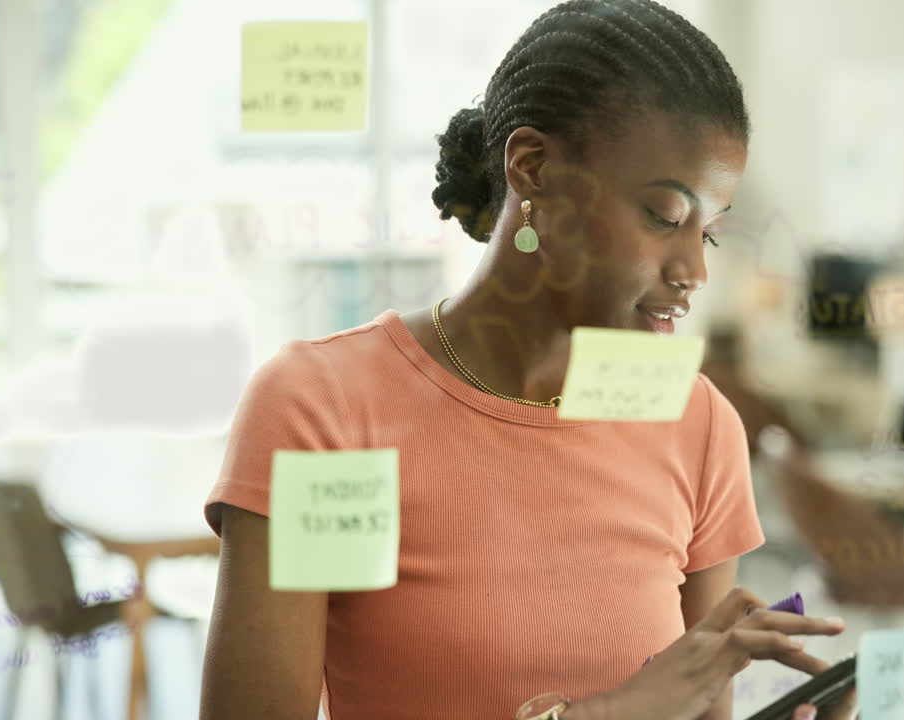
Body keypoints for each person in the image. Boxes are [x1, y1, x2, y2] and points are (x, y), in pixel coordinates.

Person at [200, 1, 854, 719]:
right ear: (533, 169)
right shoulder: (330, 416)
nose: (694, 270)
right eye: (665, 218)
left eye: (711, 234)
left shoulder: (694, 423)